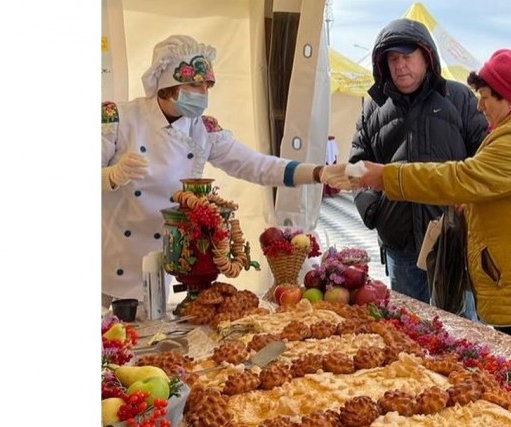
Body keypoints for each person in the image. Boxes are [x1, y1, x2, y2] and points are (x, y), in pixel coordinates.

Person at [348, 49, 511, 355]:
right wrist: (474, 204)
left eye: (487, 97)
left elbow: (459, 177)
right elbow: (503, 191)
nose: (479, 105)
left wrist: (386, 177)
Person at [101, 34, 336, 302]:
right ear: (168, 84)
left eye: (207, 86)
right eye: (195, 84)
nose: (202, 94)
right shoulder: (117, 118)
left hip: (161, 260)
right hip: (111, 262)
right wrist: (111, 175)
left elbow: (256, 165)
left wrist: (317, 173)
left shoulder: (204, 129)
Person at [347, 18, 488, 308]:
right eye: (393, 59)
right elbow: (357, 163)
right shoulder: (374, 107)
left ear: (427, 57)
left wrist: (470, 204)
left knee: (462, 332)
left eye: (407, 57)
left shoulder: (459, 97)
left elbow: (485, 157)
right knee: (411, 331)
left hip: (452, 240)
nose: (400, 66)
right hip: (401, 244)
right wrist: (374, 210)